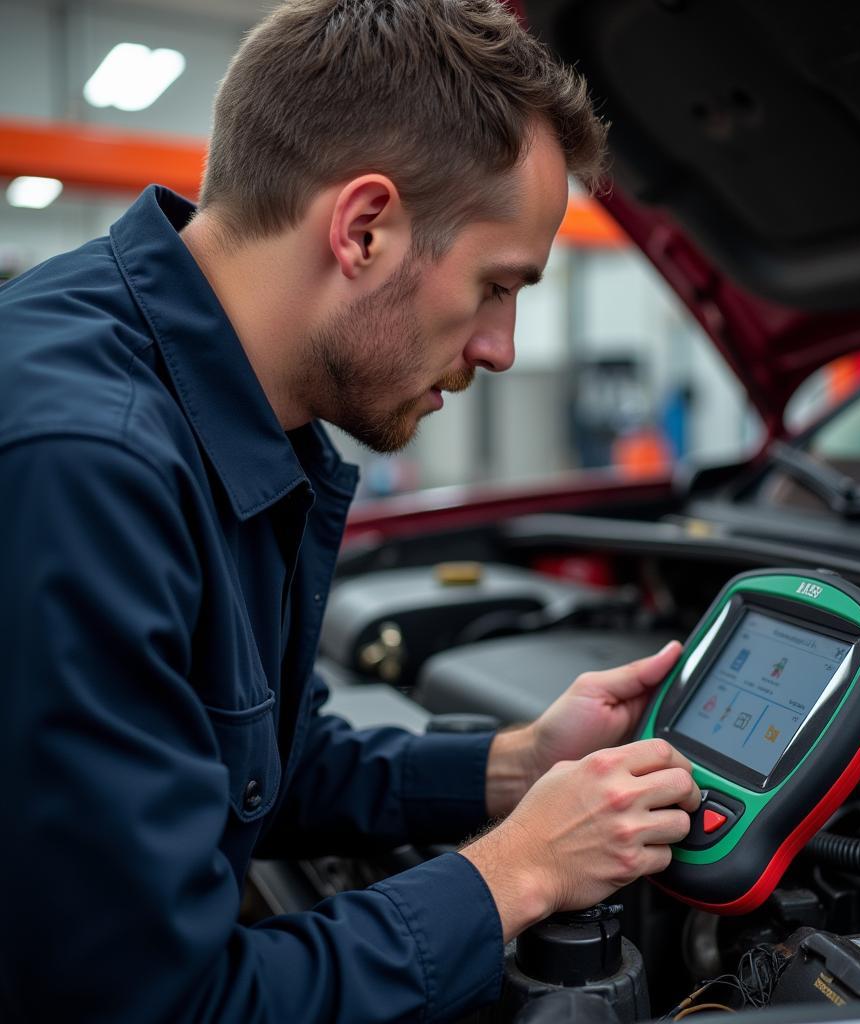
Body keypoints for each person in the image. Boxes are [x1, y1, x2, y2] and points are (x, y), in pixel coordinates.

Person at [0, 2, 700, 1021]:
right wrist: (519, 873)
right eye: (498, 285)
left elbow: (250, 766)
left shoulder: (217, 412)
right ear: (363, 229)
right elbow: (151, 1006)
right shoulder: (87, 468)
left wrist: (516, 765)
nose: (503, 348)